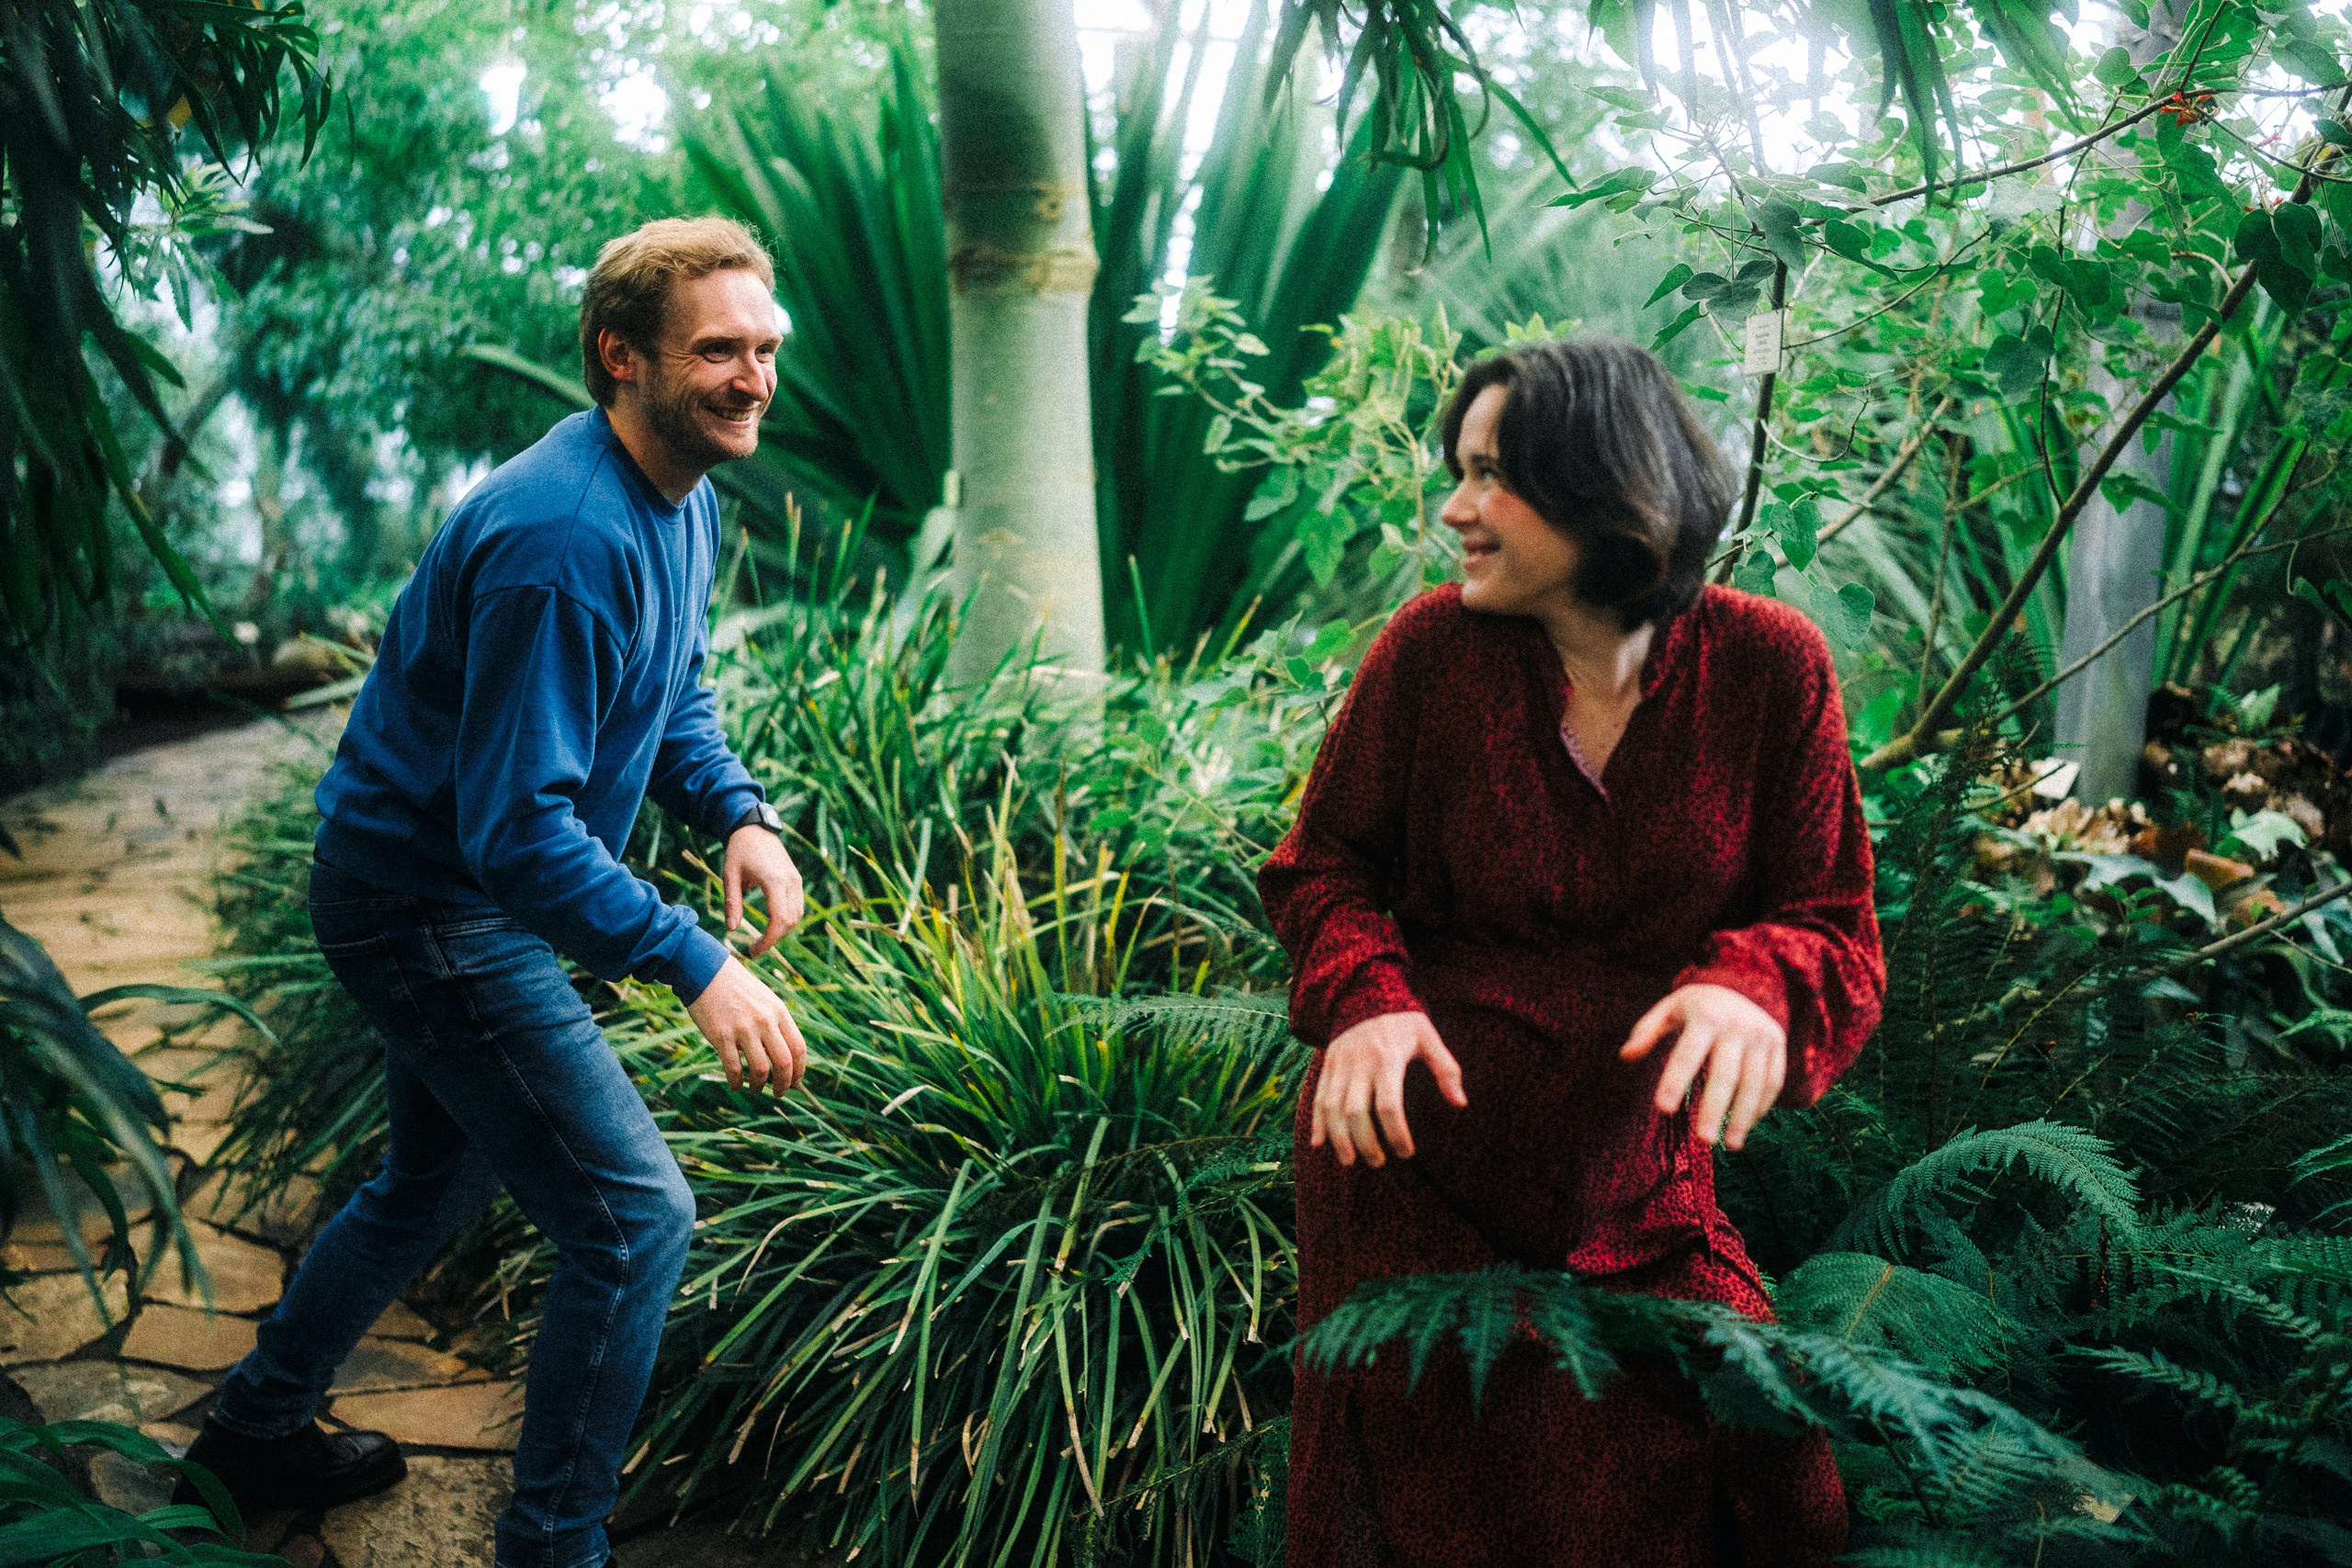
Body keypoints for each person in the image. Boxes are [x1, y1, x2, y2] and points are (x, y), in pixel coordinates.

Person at [175, 217, 811, 1568]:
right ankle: (553, 1549)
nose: (753, 376)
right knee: (637, 1223)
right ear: (619, 358)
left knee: (428, 1182)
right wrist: (697, 961)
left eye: (765, 349)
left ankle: (251, 1434)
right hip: (432, 911)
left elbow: (671, 686)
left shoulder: (678, 488)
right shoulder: (562, 536)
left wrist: (738, 812)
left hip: (446, 892)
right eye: (718, 351)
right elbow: (517, 834)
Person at [1261, 337, 1885, 1567]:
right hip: (1410, 1177)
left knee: (1774, 1476)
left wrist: (1757, 987)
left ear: (1602, 485)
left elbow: (1832, 925)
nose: (1455, 508)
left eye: (1491, 474)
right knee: (1449, 1517)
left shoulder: (1770, 667)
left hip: (1637, 1194)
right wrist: (1367, 1000)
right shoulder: (1430, 654)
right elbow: (1323, 866)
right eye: (1459, 471)